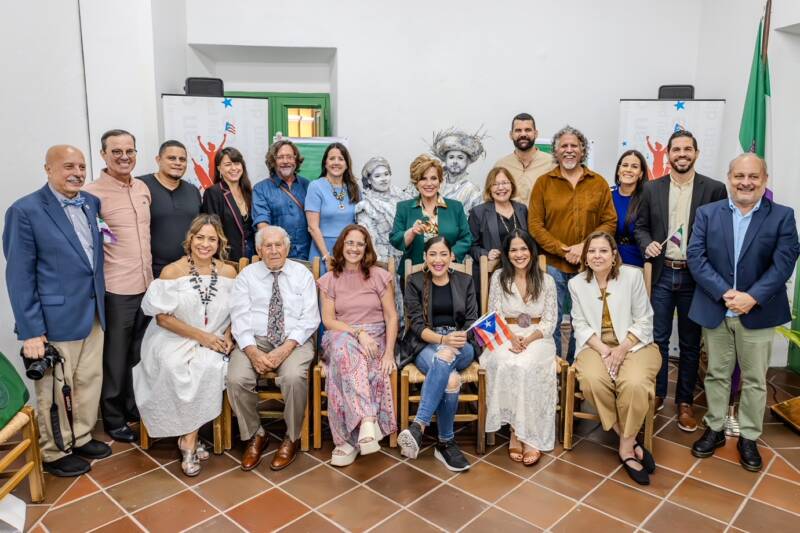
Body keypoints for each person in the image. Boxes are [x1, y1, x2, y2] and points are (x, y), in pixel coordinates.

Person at [3, 145, 110, 477]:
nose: (76, 172)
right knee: (54, 388)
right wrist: (31, 330)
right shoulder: (26, 211)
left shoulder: (91, 203)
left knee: (88, 380)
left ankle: (79, 436)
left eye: (81, 166)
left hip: (93, 312)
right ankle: (53, 450)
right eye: (67, 166)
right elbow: (19, 275)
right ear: (48, 169)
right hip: (54, 319)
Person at [688, 154, 800, 471]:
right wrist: (725, 293)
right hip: (717, 308)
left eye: (752, 176)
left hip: (759, 312)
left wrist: (752, 297)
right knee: (717, 374)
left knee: (754, 380)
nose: (745, 182)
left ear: (764, 179)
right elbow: (695, 257)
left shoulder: (782, 216)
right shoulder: (707, 214)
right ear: (729, 177)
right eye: (739, 176)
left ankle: (749, 436)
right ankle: (715, 428)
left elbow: (784, 263)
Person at [634, 129, 727, 429]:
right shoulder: (651, 188)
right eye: (676, 149)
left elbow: (721, 233)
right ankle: (659, 394)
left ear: (696, 154)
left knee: (690, 342)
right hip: (662, 274)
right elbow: (641, 226)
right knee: (658, 340)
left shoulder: (714, 189)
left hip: (695, 277)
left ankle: (684, 402)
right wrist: (645, 242)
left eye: (688, 149)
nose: (682, 154)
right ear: (669, 154)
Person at [132, 215, 237, 476]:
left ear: (219, 242)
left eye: (212, 239)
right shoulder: (172, 271)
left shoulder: (228, 272)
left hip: (215, 338)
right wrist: (202, 337)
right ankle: (189, 438)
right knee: (172, 365)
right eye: (200, 237)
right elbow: (163, 318)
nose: (205, 244)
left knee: (210, 367)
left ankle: (187, 440)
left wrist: (229, 336)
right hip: (173, 337)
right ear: (190, 239)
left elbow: (239, 312)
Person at [569, 231, 661, 485]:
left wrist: (621, 349)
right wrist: (605, 351)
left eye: (603, 251)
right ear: (585, 257)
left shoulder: (632, 276)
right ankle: (629, 439)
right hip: (595, 346)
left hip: (635, 345)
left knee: (634, 383)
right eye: (592, 251)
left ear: (614, 255)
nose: (597, 256)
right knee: (590, 380)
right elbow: (579, 324)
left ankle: (625, 448)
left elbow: (645, 319)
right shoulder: (576, 283)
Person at [228, 226, 320, 471]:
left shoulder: (303, 274)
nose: (274, 250)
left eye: (278, 244)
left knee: (292, 377)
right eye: (267, 246)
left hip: (294, 340)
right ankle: (255, 434)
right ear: (259, 250)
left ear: (287, 248)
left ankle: (292, 437)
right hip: (255, 340)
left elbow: (310, 318)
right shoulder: (246, 276)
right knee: (236, 379)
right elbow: (239, 318)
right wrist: (252, 352)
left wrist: (285, 348)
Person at [84, 129, 152, 443]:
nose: (124, 157)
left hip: (147, 284)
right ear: (103, 155)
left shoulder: (142, 188)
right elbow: (93, 241)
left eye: (129, 151)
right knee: (115, 357)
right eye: (116, 152)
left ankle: (132, 408)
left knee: (139, 353)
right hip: (117, 288)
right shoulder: (91, 194)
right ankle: (112, 417)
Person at [528, 125, 616, 362]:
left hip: (589, 266)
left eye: (574, 146)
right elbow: (535, 225)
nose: (569, 150)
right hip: (553, 265)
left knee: (585, 320)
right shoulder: (543, 183)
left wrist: (583, 248)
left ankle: (578, 370)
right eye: (563, 146)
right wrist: (563, 250)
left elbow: (610, 222)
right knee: (552, 321)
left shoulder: (598, 183)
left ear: (583, 150)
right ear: (556, 152)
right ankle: (555, 370)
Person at [317, 224, 398, 466]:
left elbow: (392, 316)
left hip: (375, 338)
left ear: (366, 248)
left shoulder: (379, 276)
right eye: (349, 243)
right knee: (344, 348)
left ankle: (346, 441)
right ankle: (367, 419)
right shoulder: (330, 279)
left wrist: (389, 353)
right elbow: (329, 321)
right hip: (341, 333)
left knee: (353, 364)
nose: (354, 248)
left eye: (359, 244)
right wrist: (358, 332)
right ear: (342, 246)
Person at [396, 236, 479, 472]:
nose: (438, 260)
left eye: (443, 254)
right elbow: (418, 326)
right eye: (432, 254)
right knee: (451, 379)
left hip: (461, 344)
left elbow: (472, 321)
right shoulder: (414, 281)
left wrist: (457, 338)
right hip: (426, 344)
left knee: (446, 355)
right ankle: (445, 443)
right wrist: (443, 340)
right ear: (425, 257)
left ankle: (418, 426)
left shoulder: (465, 281)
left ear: (452, 256)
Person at [483, 230, 557, 465]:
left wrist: (529, 338)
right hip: (505, 335)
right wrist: (512, 338)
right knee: (506, 362)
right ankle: (516, 431)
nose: (519, 254)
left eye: (523, 248)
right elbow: (494, 314)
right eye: (513, 250)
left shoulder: (547, 280)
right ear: (506, 254)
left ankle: (531, 436)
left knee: (526, 365)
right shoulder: (499, 278)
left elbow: (550, 321)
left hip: (538, 338)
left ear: (532, 251)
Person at [390, 155, 471, 281]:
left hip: (449, 274)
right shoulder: (403, 208)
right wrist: (411, 232)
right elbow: (395, 239)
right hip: (414, 276)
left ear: (440, 181)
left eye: (433, 178)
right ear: (416, 183)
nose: (429, 183)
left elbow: (466, 238)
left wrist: (449, 256)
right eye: (423, 179)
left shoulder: (455, 207)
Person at [139, 140, 201, 278]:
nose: (178, 163)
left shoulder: (193, 191)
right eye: (172, 158)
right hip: (151, 272)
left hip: (188, 270)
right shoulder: (140, 186)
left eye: (182, 159)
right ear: (158, 159)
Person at [468, 167, 528, 297]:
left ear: (511, 185)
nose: (501, 188)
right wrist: (486, 253)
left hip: (521, 274)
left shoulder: (522, 209)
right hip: (490, 277)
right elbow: (471, 246)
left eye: (505, 183)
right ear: (489, 188)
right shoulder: (478, 212)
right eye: (495, 184)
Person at [251, 140, 311, 259]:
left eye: (289, 157)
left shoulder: (308, 185)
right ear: (273, 161)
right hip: (277, 256)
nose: (285, 161)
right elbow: (263, 225)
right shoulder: (260, 189)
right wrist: (275, 250)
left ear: (295, 159)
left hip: (307, 254)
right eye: (280, 157)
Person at [305, 142, 359, 273]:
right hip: (323, 251)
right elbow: (313, 227)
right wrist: (326, 257)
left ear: (346, 165)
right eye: (332, 158)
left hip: (350, 252)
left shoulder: (353, 188)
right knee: (324, 292)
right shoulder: (315, 186)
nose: (336, 162)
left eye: (341, 159)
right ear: (325, 163)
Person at [200, 147, 255, 262]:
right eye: (228, 164)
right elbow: (211, 229)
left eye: (237, 163)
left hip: (252, 257)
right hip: (226, 258)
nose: (234, 168)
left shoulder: (249, 192)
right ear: (219, 168)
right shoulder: (213, 193)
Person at [355, 156, 410, 265]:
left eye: (386, 174)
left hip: (407, 257)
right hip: (383, 260)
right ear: (369, 180)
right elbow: (369, 239)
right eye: (377, 176)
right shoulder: (365, 206)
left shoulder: (403, 197)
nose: (384, 179)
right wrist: (379, 263)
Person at [493, 113, 556, 206]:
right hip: (509, 220)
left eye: (528, 130)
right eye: (518, 130)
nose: (523, 134)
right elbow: (491, 200)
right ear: (511, 135)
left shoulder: (552, 164)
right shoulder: (501, 165)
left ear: (535, 133)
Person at [427, 128, 486, 215]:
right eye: (451, 157)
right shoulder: (434, 183)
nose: (455, 161)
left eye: (460, 157)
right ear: (445, 160)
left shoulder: (472, 191)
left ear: (468, 161)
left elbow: (476, 221)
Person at [611, 150, 648, 267]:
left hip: (637, 264)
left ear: (641, 174)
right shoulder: (607, 195)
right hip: (608, 263)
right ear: (618, 170)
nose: (628, 170)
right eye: (625, 165)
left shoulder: (648, 198)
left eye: (634, 167)